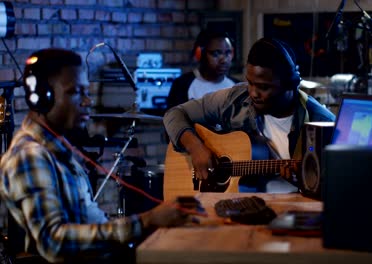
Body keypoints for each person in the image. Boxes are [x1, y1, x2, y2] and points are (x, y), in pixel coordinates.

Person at [0, 48, 197, 263]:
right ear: (43, 97)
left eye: (87, 92)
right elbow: (54, 242)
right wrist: (146, 221)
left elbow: (84, 220)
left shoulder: (55, 148)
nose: (87, 102)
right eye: (76, 92)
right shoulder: (30, 156)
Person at [163, 37, 335, 193]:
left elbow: (338, 187)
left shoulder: (323, 123)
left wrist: (306, 183)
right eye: (250, 83)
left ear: (290, 85)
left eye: (263, 87)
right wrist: (196, 147)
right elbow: (174, 114)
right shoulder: (235, 99)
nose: (253, 93)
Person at [166, 28, 237, 109]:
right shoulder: (182, 86)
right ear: (200, 54)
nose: (224, 60)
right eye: (216, 53)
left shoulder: (238, 87)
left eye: (228, 53)